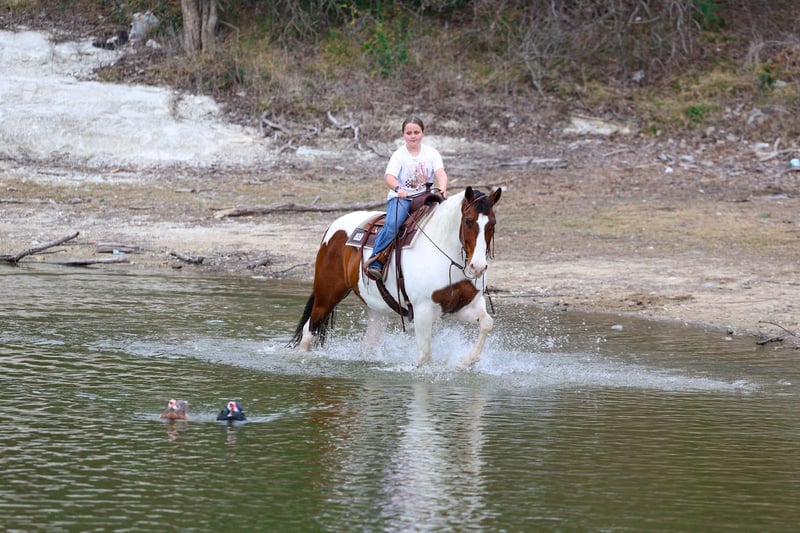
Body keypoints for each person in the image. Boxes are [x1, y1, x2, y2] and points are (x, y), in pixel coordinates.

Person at [366, 116, 448, 281]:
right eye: (409, 133)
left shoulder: (432, 153)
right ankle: (376, 260)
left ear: (423, 133)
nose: (413, 136)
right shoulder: (399, 155)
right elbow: (389, 177)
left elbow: (440, 173)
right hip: (402, 198)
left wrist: (443, 187)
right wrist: (398, 189)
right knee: (393, 224)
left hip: (425, 197)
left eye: (416, 132)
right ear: (403, 134)